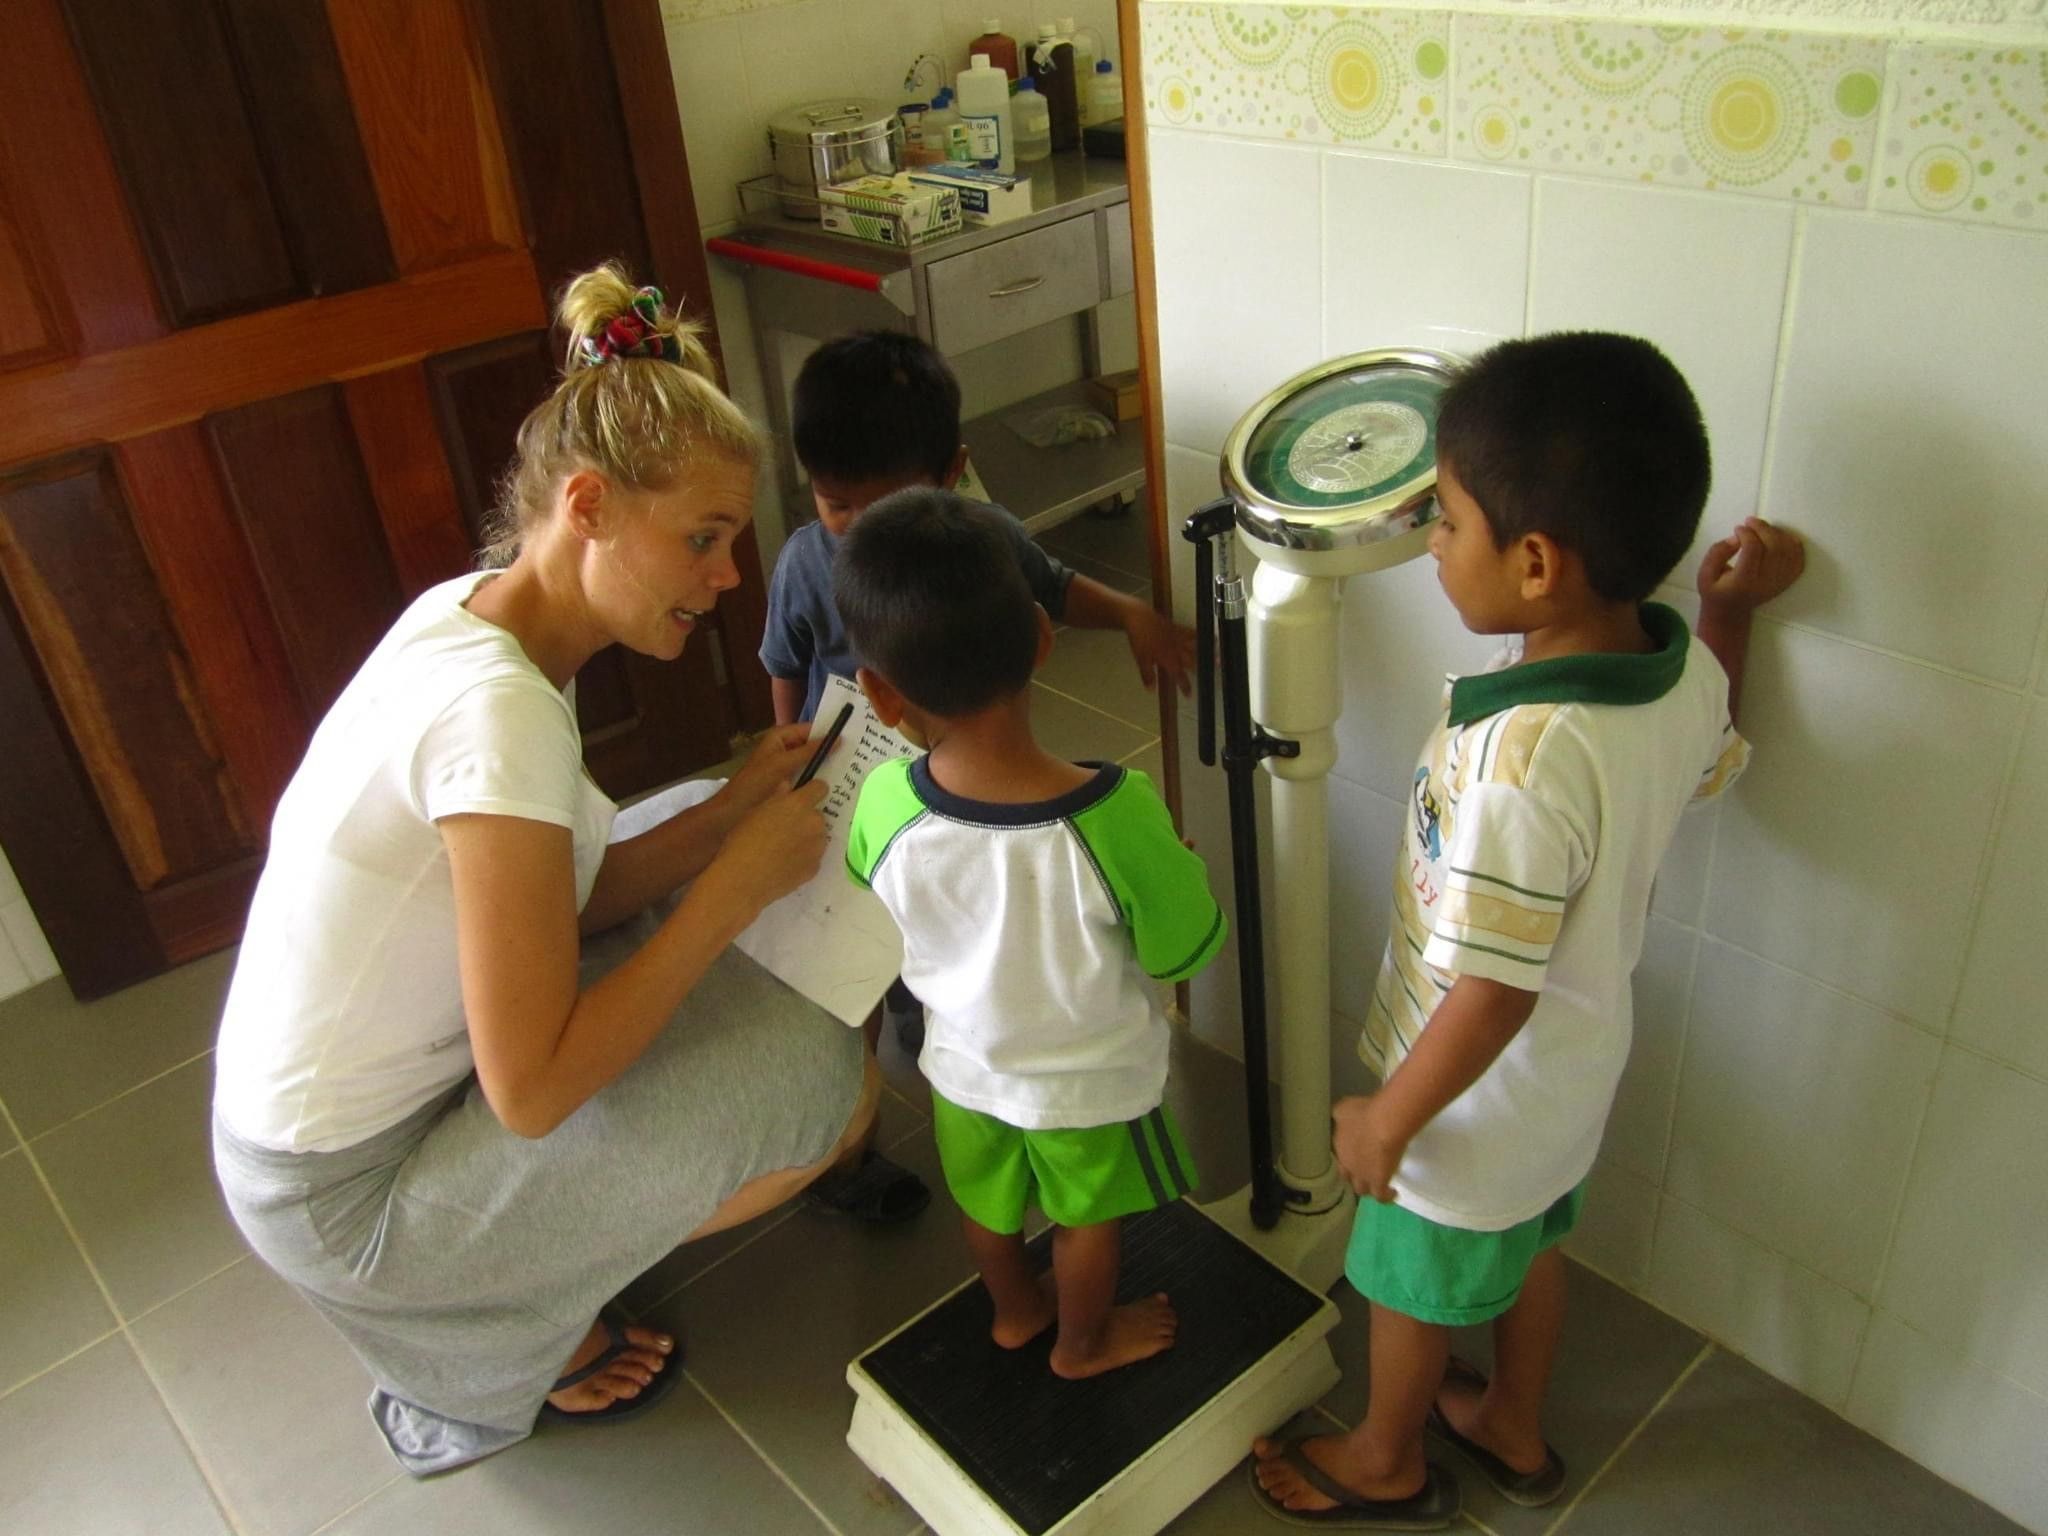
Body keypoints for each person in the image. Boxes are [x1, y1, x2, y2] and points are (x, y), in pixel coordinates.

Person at [211, 265, 875, 1476]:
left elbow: (565, 886)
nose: (727, 578)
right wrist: (730, 887)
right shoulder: (497, 717)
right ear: (587, 505)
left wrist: (728, 814)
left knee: (672, 819)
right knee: (829, 1089)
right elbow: (530, 1094)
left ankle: (541, 1241)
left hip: (321, 1127)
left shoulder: (471, 614)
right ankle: (506, 1312)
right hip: (348, 1203)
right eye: (702, 539)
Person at [1250, 333, 1807, 1527]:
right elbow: (1713, 737)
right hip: (1569, 1075)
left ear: (1537, 563)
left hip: (1466, 1098)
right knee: (1532, 1241)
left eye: (1447, 522)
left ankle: (1383, 1460)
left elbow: (1493, 990)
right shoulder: (1670, 672)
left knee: (1407, 1277)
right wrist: (1724, 610)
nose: (1433, 544)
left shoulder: (1521, 762)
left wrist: (1388, 1122)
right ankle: (1509, 1420)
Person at [838, 489, 1228, 1379]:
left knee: (988, 1203)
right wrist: (1180, 867)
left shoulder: (884, 804)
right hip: (1085, 1083)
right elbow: (1184, 949)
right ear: (1044, 640)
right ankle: (1084, 1343)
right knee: (1087, 1218)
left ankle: (1017, 1313)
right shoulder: (1118, 813)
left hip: (962, 1068)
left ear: (881, 696)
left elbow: (874, 903)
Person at [762, 329, 1196, 1063]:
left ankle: (936, 1016)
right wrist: (790, 768)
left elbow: (1052, 586)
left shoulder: (980, 538)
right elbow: (784, 664)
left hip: (960, 778)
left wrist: (1129, 613)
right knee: (851, 944)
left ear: (952, 472)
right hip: (846, 782)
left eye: (891, 503)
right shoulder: (804, 563)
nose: (868, 531)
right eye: (838, 505)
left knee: (948, 907)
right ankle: (866, 1072)